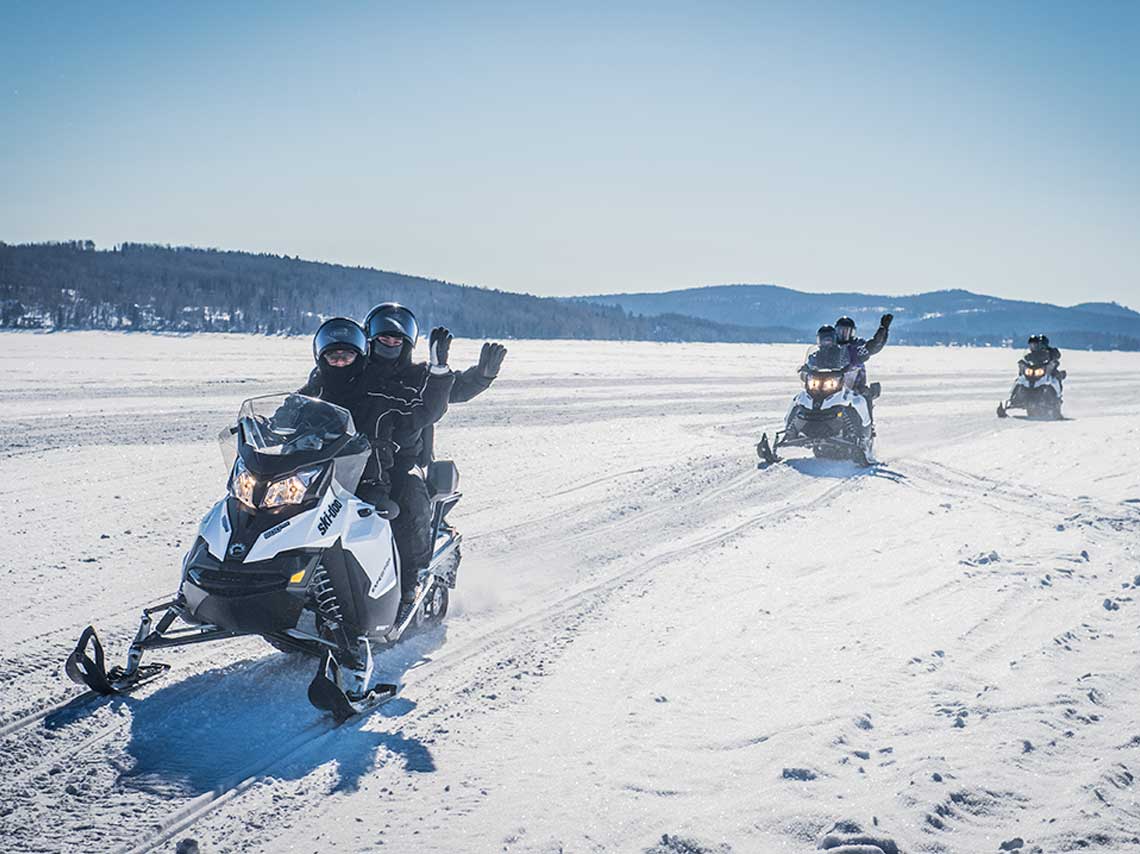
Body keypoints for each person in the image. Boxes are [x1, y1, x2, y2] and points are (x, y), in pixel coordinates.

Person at [301, 317, 453, 566]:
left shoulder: (380, 392)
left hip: (370, 481)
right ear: (322, 358)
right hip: (318, 477)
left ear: (359, 356)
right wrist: (258, 425)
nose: (340, 362)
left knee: (405, 508)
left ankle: (410, 578)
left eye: (346, 356)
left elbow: (425, 411)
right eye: (333, 357)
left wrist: (439, 372)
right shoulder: (315, 391)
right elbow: (286, 413)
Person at [361, 303, 460, 626]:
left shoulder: (417, 376)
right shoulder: (351, 370)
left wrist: (451, 371)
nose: (390, 345)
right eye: (383, 339)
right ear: (370, 339)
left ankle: (412, 579)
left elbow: (443, 398)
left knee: (409, 495)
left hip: (401, 460)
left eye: (396, 341)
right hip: (352, 459)